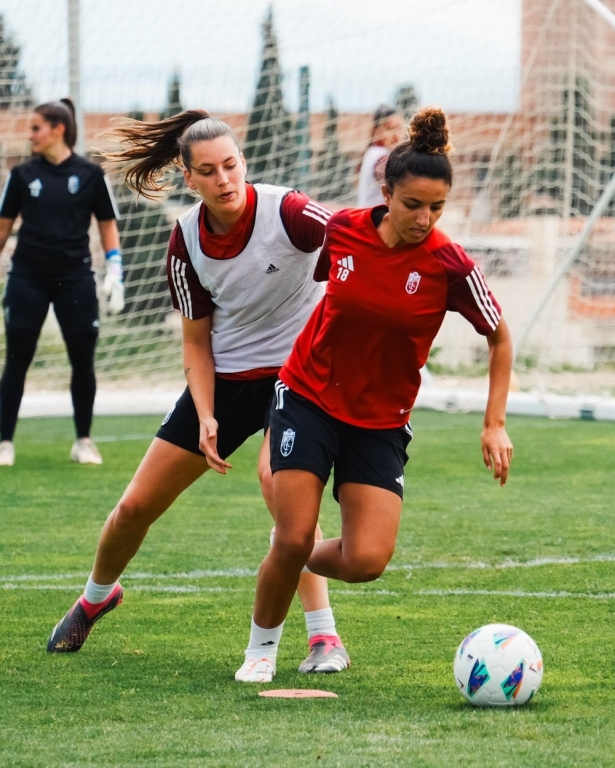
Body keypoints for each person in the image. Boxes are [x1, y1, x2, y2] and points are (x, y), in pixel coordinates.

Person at [46, 109, 350, 675]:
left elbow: (353, 245)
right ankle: (95, 596)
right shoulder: (185, 240)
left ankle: (323, 637)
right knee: (135, 506)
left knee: (280, 490)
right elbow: (195, 343)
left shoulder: (289, 211)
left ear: (244, 163)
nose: (225, 179)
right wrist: (206, 416)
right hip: (228, 380)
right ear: (190, 179)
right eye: (208, 171)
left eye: (232, 165)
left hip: (298, 377)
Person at [236, 107, 513, 683]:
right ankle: (261, 650)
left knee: (366, 561)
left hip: (381, 419)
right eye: (413, 205)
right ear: (385, 191)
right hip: (308, 394)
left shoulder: (450, 265)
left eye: (437, 208)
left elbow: (499, 336)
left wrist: (494, 423)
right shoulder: (342, 232)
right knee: (294, 531)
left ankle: (286, 554)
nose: (424, 218)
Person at [0, 98, 124, 467]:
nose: (30, 135)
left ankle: (83, 441)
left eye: (36, 127)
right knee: (17, 358)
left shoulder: (90, 175)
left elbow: (107, 226)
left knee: (82, 359)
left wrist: (115, 269)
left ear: (59, 129)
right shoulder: (22, 175)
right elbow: (3, 229)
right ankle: (4, 441)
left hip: (75, 279)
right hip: (28, 277)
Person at [356, 105, 404, 207]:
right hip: (374, 220)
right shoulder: (380, 156)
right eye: (390, 129)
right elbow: (383, 171)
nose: (396, 135)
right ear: (376, 130)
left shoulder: (372, 151)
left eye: (399, 128)